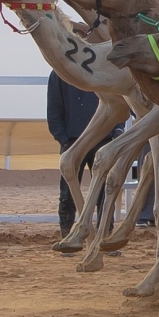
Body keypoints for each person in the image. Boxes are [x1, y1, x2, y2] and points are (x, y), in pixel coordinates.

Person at [46, 71, 101, 237]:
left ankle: (104, 237)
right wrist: (63, 140)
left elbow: (117, 101)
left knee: (104, 191)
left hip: (103, 140)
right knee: (67, 193)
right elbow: (54, 108)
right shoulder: (59, 73)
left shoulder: (102, 68)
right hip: (72, 142)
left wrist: (116, 130)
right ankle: (67, 236)